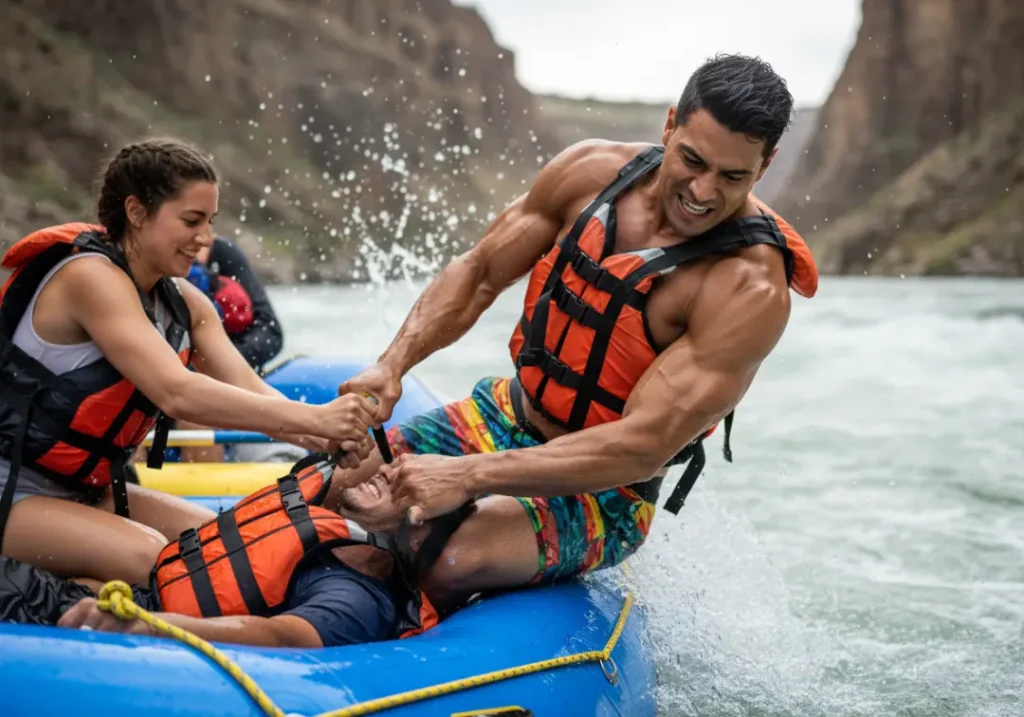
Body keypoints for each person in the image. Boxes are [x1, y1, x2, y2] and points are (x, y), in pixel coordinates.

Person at [327, 54, 820, 598]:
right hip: (504, 413)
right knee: (333, 486)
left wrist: (468, 476)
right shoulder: (588, 172)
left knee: (448, 558)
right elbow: (478, 273)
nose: (702, 192)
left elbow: (642, 446)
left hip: (606, 491)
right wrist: (392, 365)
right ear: (670, 123)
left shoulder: (748, 287)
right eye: (692, 161)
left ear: (765, 165)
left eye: (732, 177)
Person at [0, 138, 379, 587]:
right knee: (164, 565)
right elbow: (176, 390)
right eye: (191, 220)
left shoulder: (186, 304)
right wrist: (318, 416)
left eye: (210, 222)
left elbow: (253, 393)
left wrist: (328, 436)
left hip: (86, 492)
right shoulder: (88, 278)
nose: (206, 238)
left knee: (234, 549)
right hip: (12, 490)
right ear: (137, 212)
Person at [2, 458, 454, 649]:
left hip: (143, 620)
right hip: (136, 594)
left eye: (407, 485)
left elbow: (283, 638)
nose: (391, 469)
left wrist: (150, 627)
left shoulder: (358, 595)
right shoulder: (330, 534)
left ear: (417, 535)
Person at [185, 236, 283, 372]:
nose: (205, 237)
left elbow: (271, 333)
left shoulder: (224, 255)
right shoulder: (158, 272)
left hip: (230, 368)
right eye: (191, 221)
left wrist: (219, 363)